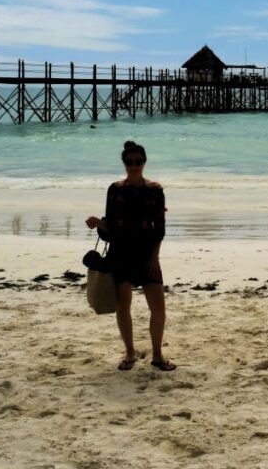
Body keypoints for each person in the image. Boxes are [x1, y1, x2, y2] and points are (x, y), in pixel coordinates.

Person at [85, 141, 175, 372]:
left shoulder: (155, 190)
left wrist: (154, 258)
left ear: (145, 162)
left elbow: (160, 229)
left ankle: (157, 354)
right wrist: (99, 223)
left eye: (138, 162)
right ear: (124, 163)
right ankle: (129, 353)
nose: (134, 166)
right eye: (129, 162)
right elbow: (111, 227)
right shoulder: (115, 189)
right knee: (123, 304)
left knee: (158, 306)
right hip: (121, 253)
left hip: (146, 254)